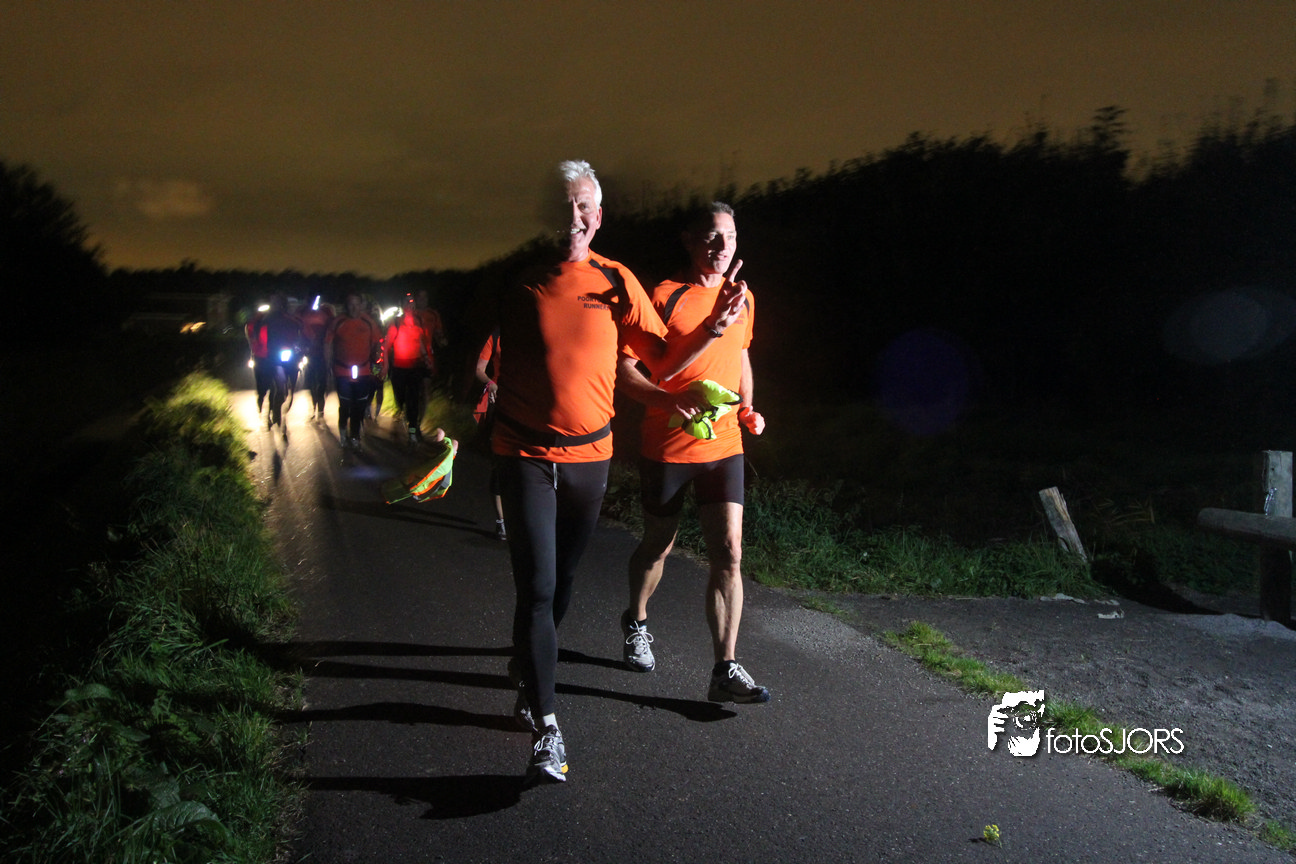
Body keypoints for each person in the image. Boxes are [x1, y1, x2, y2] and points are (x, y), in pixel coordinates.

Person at [489, 160, 747, 786]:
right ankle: (547, 726)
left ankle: (528, 670)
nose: (573, 218)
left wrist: (713, 329)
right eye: (563, 206)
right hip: (525, 456)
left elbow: (659, 360)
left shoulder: (617, 280)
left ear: (598, 216)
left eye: (583, 207)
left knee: (563, 582)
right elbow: (489, 366)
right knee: (538, 586)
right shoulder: (517, 281)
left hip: (591, 458)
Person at [615, 202, 770, 704]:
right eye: (711, 236)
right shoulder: (664, 296)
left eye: (731, 236)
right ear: (688, 240)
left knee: (729, 551)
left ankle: (725, 667)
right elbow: (626, 370)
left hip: (724, 445)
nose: (723, 247)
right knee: (658, 544)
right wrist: (666, 401)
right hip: (667, 445)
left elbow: (741, 354)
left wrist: (747, 407)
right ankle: (637, 620)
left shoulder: (742, 297)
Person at [324, 292, 383, 451]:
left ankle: (355, 436)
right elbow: (328, 343)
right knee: (345, 404)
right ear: (346, 306)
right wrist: (328, 364)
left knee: (359, 405)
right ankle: (343, 430)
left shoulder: (368, 322)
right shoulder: (338, 322)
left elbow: (377, 342)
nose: (354, 308)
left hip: (363, 370)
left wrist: (377, 359)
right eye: (351, 304)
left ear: (361, 305)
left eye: (357, 304)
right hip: (342, 370)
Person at [385, 293, 435, 443]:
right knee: (401, 398)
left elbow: (420, 342)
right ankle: (403, 413)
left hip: (415, 367)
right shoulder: (396, 322)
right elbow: (387, 345)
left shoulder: (419, 321)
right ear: (402, 305)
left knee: (413, 398)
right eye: (407, 302)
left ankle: (413, 430)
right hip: (399, 367)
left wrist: (426, 357)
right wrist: (385, 365)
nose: (410, 305)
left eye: (412, 302)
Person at [472, 328, 507, 540]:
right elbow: (479, 369)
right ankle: (502, 522)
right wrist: (491, 384)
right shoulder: (495, 336)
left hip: (527, 406)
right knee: (500, 463)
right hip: (500, 404)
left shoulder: (534, 329)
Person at [299, 295, 335, 419]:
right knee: (310, 381)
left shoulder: (326, 313)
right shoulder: (304, 314)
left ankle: (320, 407)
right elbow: (300, 333)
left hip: (322, 353)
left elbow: (331, 331)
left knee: (322, 381)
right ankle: (315, 404)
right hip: (310, 353)